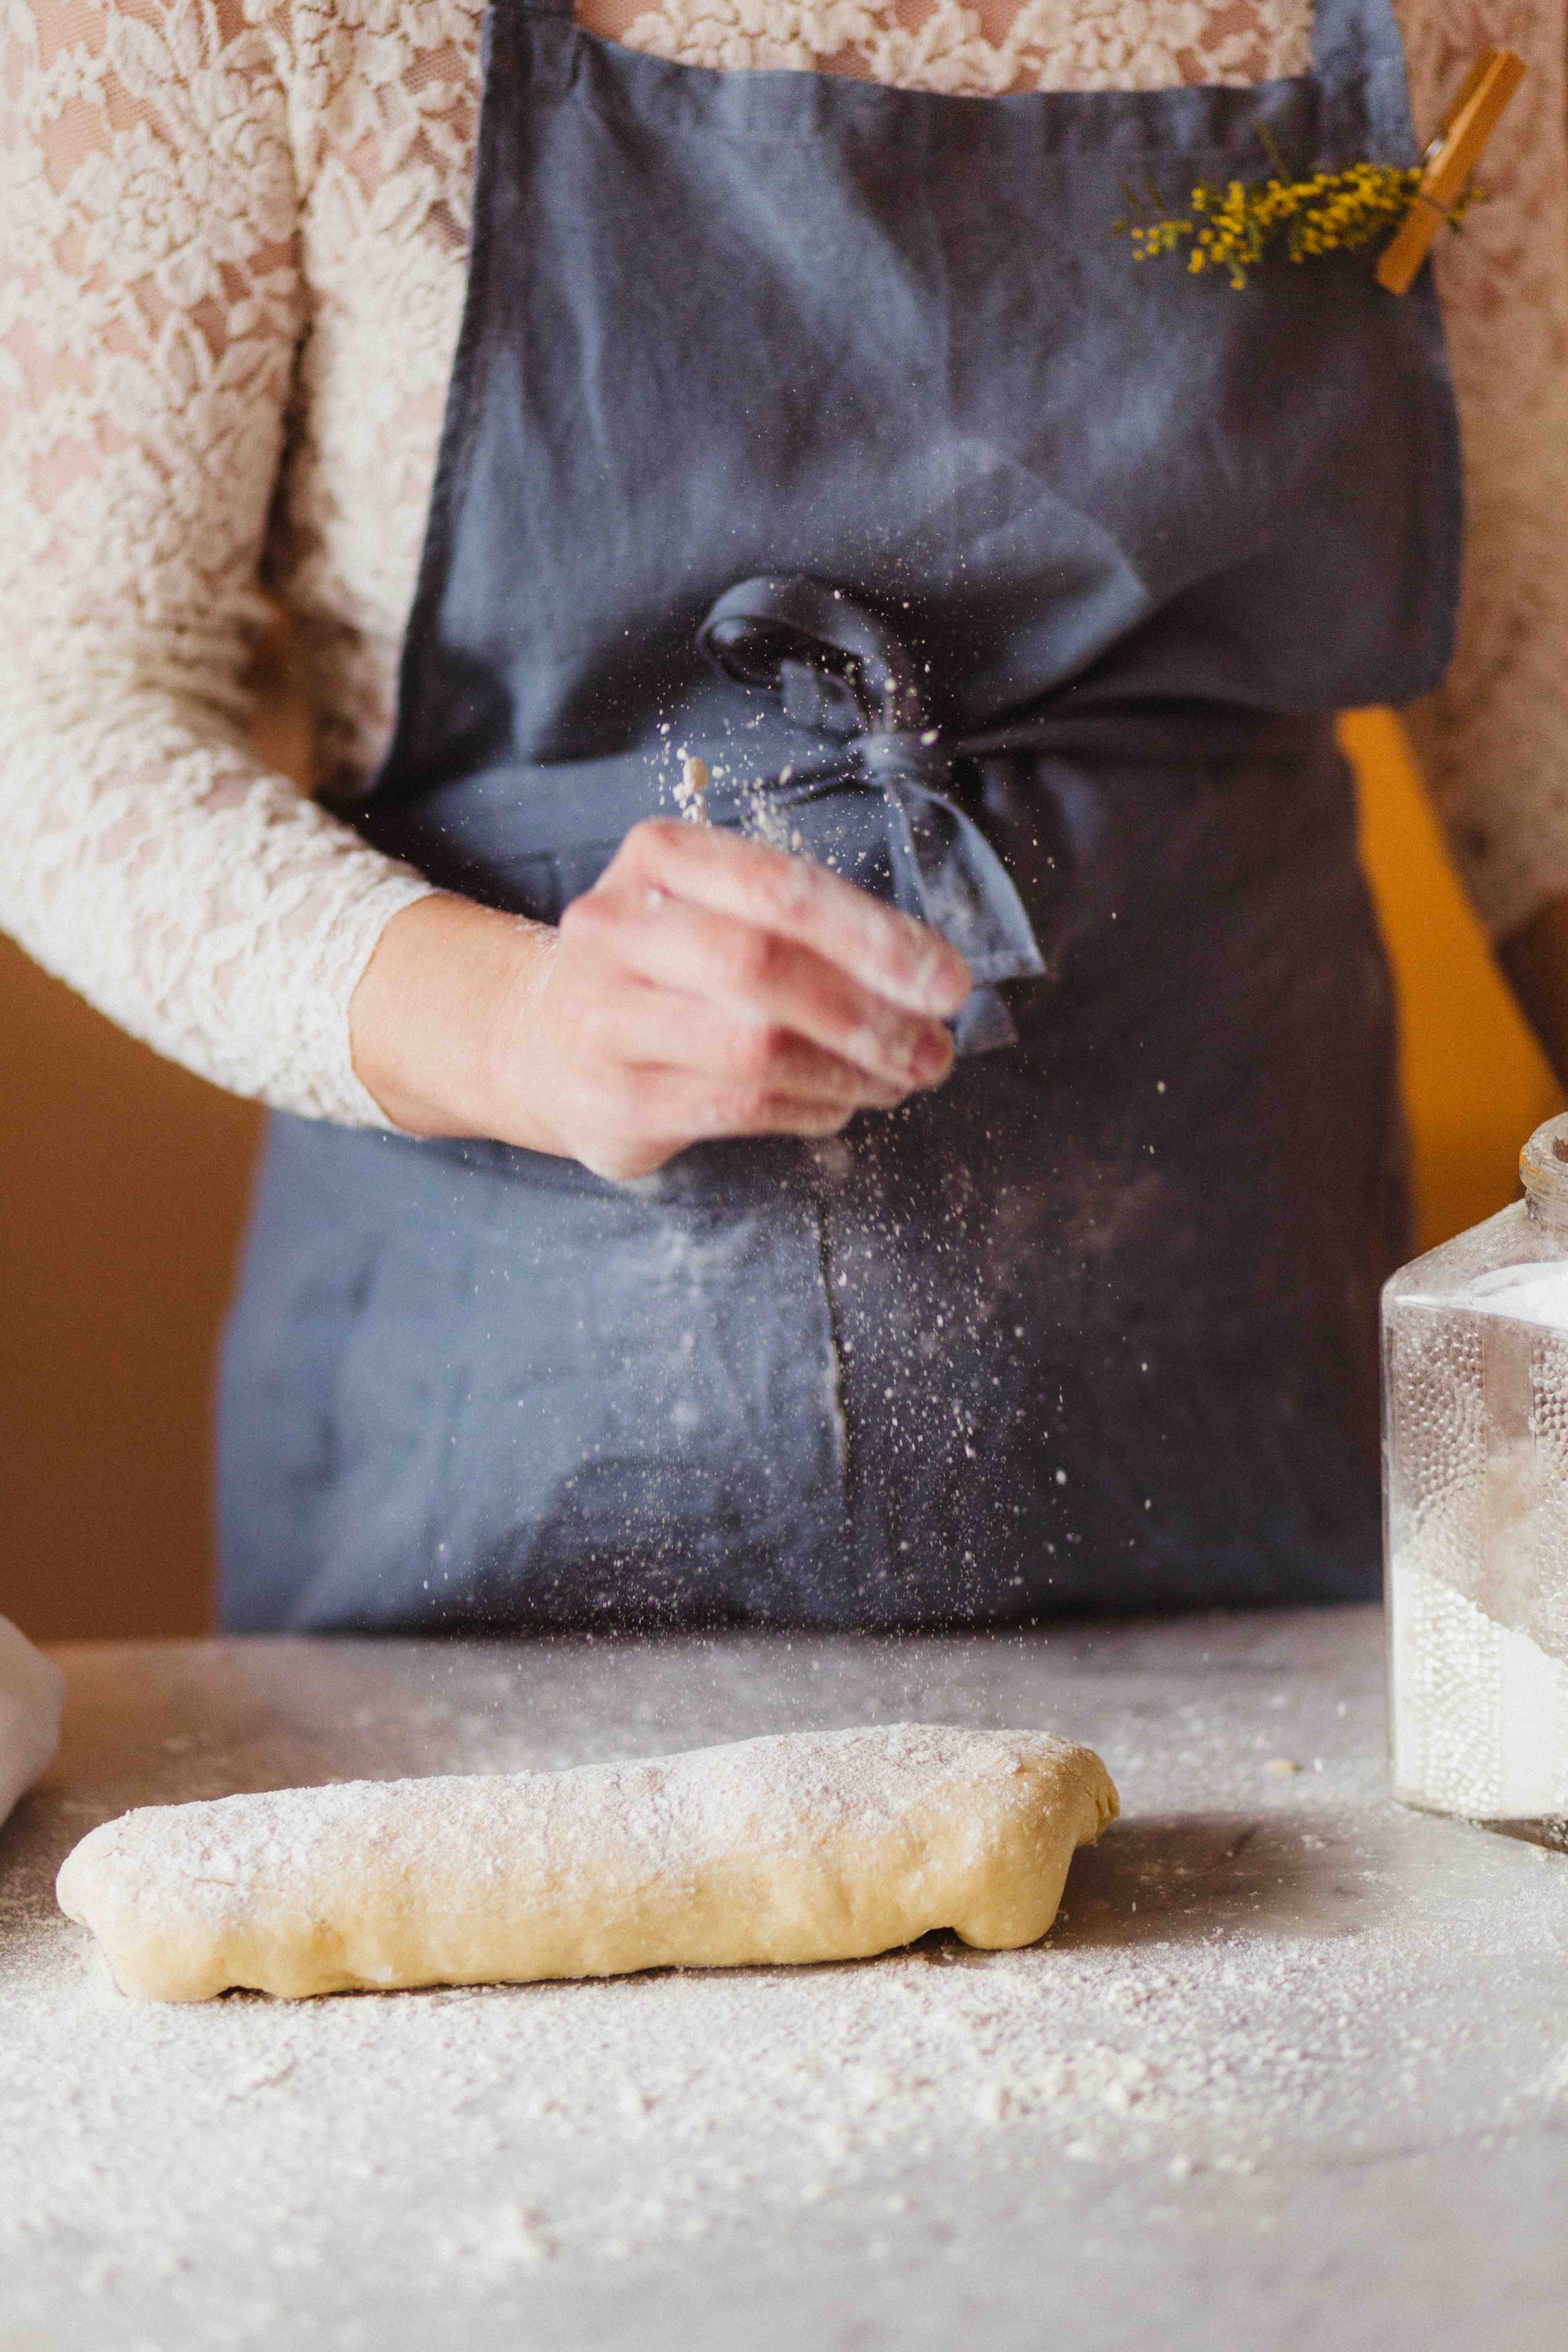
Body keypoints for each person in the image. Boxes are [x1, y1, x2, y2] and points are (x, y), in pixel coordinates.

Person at [2, 0, 1565, 1633]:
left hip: (1261, 1386)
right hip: (513, 1464)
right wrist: (520, 1019)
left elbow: (1539, 676)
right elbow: (57, 717)